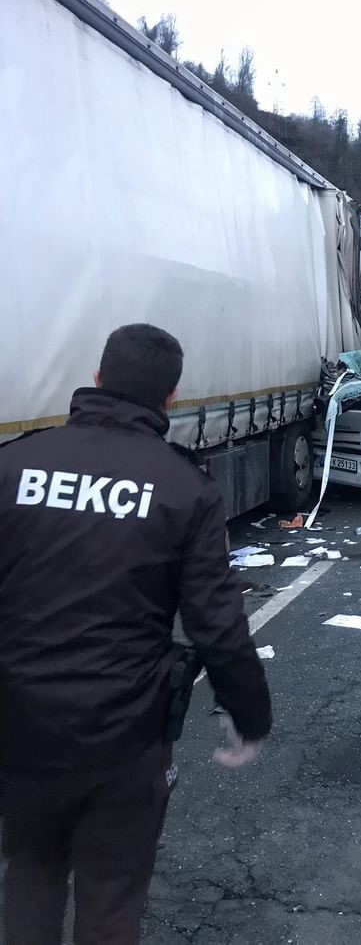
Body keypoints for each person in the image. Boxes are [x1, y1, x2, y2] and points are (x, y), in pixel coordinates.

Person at [0, 323, 273, 945]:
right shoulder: (184, 489)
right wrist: (249, 715)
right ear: (170, 398)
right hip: (124, 736)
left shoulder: (14, 464)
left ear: (96, 380)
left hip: (20, 728)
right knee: (112, 894)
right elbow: (217, 624)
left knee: (31, 873)